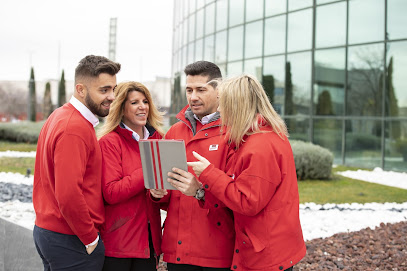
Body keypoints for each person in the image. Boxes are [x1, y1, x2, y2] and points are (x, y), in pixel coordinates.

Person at [178, 74, 306, 271]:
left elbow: (248, 201)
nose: (219, 109)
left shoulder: (259, 146)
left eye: (223, 103)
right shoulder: (262, 136)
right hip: (269, 246)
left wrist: (208, 174)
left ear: (236, 105)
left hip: (265, 254)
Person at [33, 55, 121, 270]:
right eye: (103, 90)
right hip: (71, 238)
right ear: (80, 89)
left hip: (54, 233)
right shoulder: (74, 128)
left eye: (113, 89)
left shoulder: (61, 115)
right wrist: (90, 238)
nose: (111, 96)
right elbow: (68, 194)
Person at [150, 61, 235, 271]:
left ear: (219, 91)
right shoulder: (174, 133)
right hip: (178, 253)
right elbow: (168, 196)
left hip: (216, 252)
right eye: (189, 90)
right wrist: (158, 193)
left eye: (201, 90)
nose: (193, 97)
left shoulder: (233, 133)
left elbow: (238, 195)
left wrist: (199, 191)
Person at [97, 81, 164, 271]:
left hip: (149, 241)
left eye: (145, 101)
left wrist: (157, 194)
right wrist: (149, 168)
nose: (142, 106)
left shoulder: (158, 138)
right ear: (121, 108)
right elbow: (111, 192)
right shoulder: (110, 142)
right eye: (134, 103)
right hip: (119, 243)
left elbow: (162, 188)